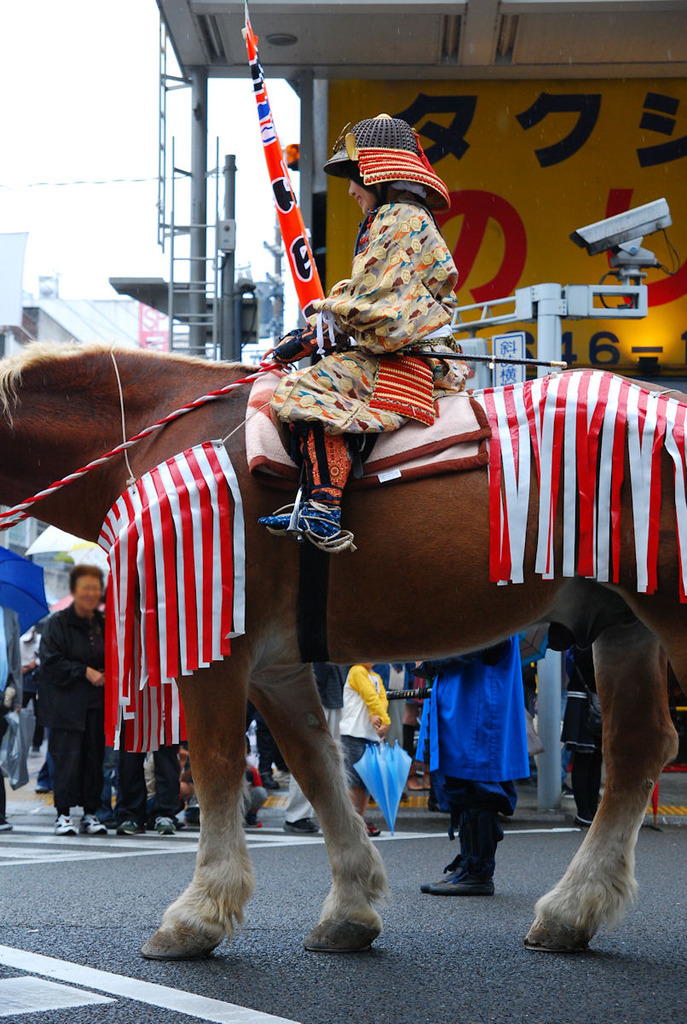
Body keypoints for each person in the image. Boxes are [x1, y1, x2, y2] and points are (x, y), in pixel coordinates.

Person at [258, 113, 468, 552]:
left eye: (355, 176)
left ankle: (323, 509)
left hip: (403, 361)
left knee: (305, 390)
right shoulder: (403, 216)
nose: (351, 189)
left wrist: (313, 336)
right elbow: (367, 300)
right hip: (402, 352)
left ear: (379, 174)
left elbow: (377, 307)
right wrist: (320, 328)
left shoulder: (397, 217)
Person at [417, 639, 530, 896]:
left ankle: (478, 870)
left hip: (477, 697)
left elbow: (483, 642)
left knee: (477, 782)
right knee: (464, 780)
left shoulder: (494, 602)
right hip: (468, 696)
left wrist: (430, 660)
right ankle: (471, 864)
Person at [38, 565, 108, 836]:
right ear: (75, 590)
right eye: (85, 587)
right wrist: (84, 671)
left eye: (94, 588)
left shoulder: (102, 624)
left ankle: (91, 814)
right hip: (66, 708)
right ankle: (63, 815)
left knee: (94, 761)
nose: (90, 593)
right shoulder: (58, 622)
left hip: (97, 706)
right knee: (66, 763)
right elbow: (51, 661)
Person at [282, 662, 347, 835]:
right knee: (308, 755)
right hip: (313, 694)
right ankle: (296, 815)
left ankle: (328, 812)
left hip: (332, 692)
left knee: (332, 758)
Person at [339, 663, 390, 837]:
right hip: (352, 733)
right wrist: (381, 717)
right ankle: (351, 822)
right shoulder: (356, 671)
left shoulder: (376, 676)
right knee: (354, 781)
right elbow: (370, 697)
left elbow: (382, 699)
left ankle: (358, 821)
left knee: (365, 782)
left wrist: (382, 720)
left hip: (369, 735)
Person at [561, 645, 603, 827]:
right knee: (590, 759)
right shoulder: (591, 642)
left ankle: (588, 811)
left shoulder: (581, 642)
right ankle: (587, 811)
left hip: (583, 700)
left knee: (588, 759)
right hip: (592, 701)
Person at [0, 607, 23, 831]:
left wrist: (17, 693)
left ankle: (0, 815)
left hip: (3, 697)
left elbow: (15, 659)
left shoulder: (9, 616)